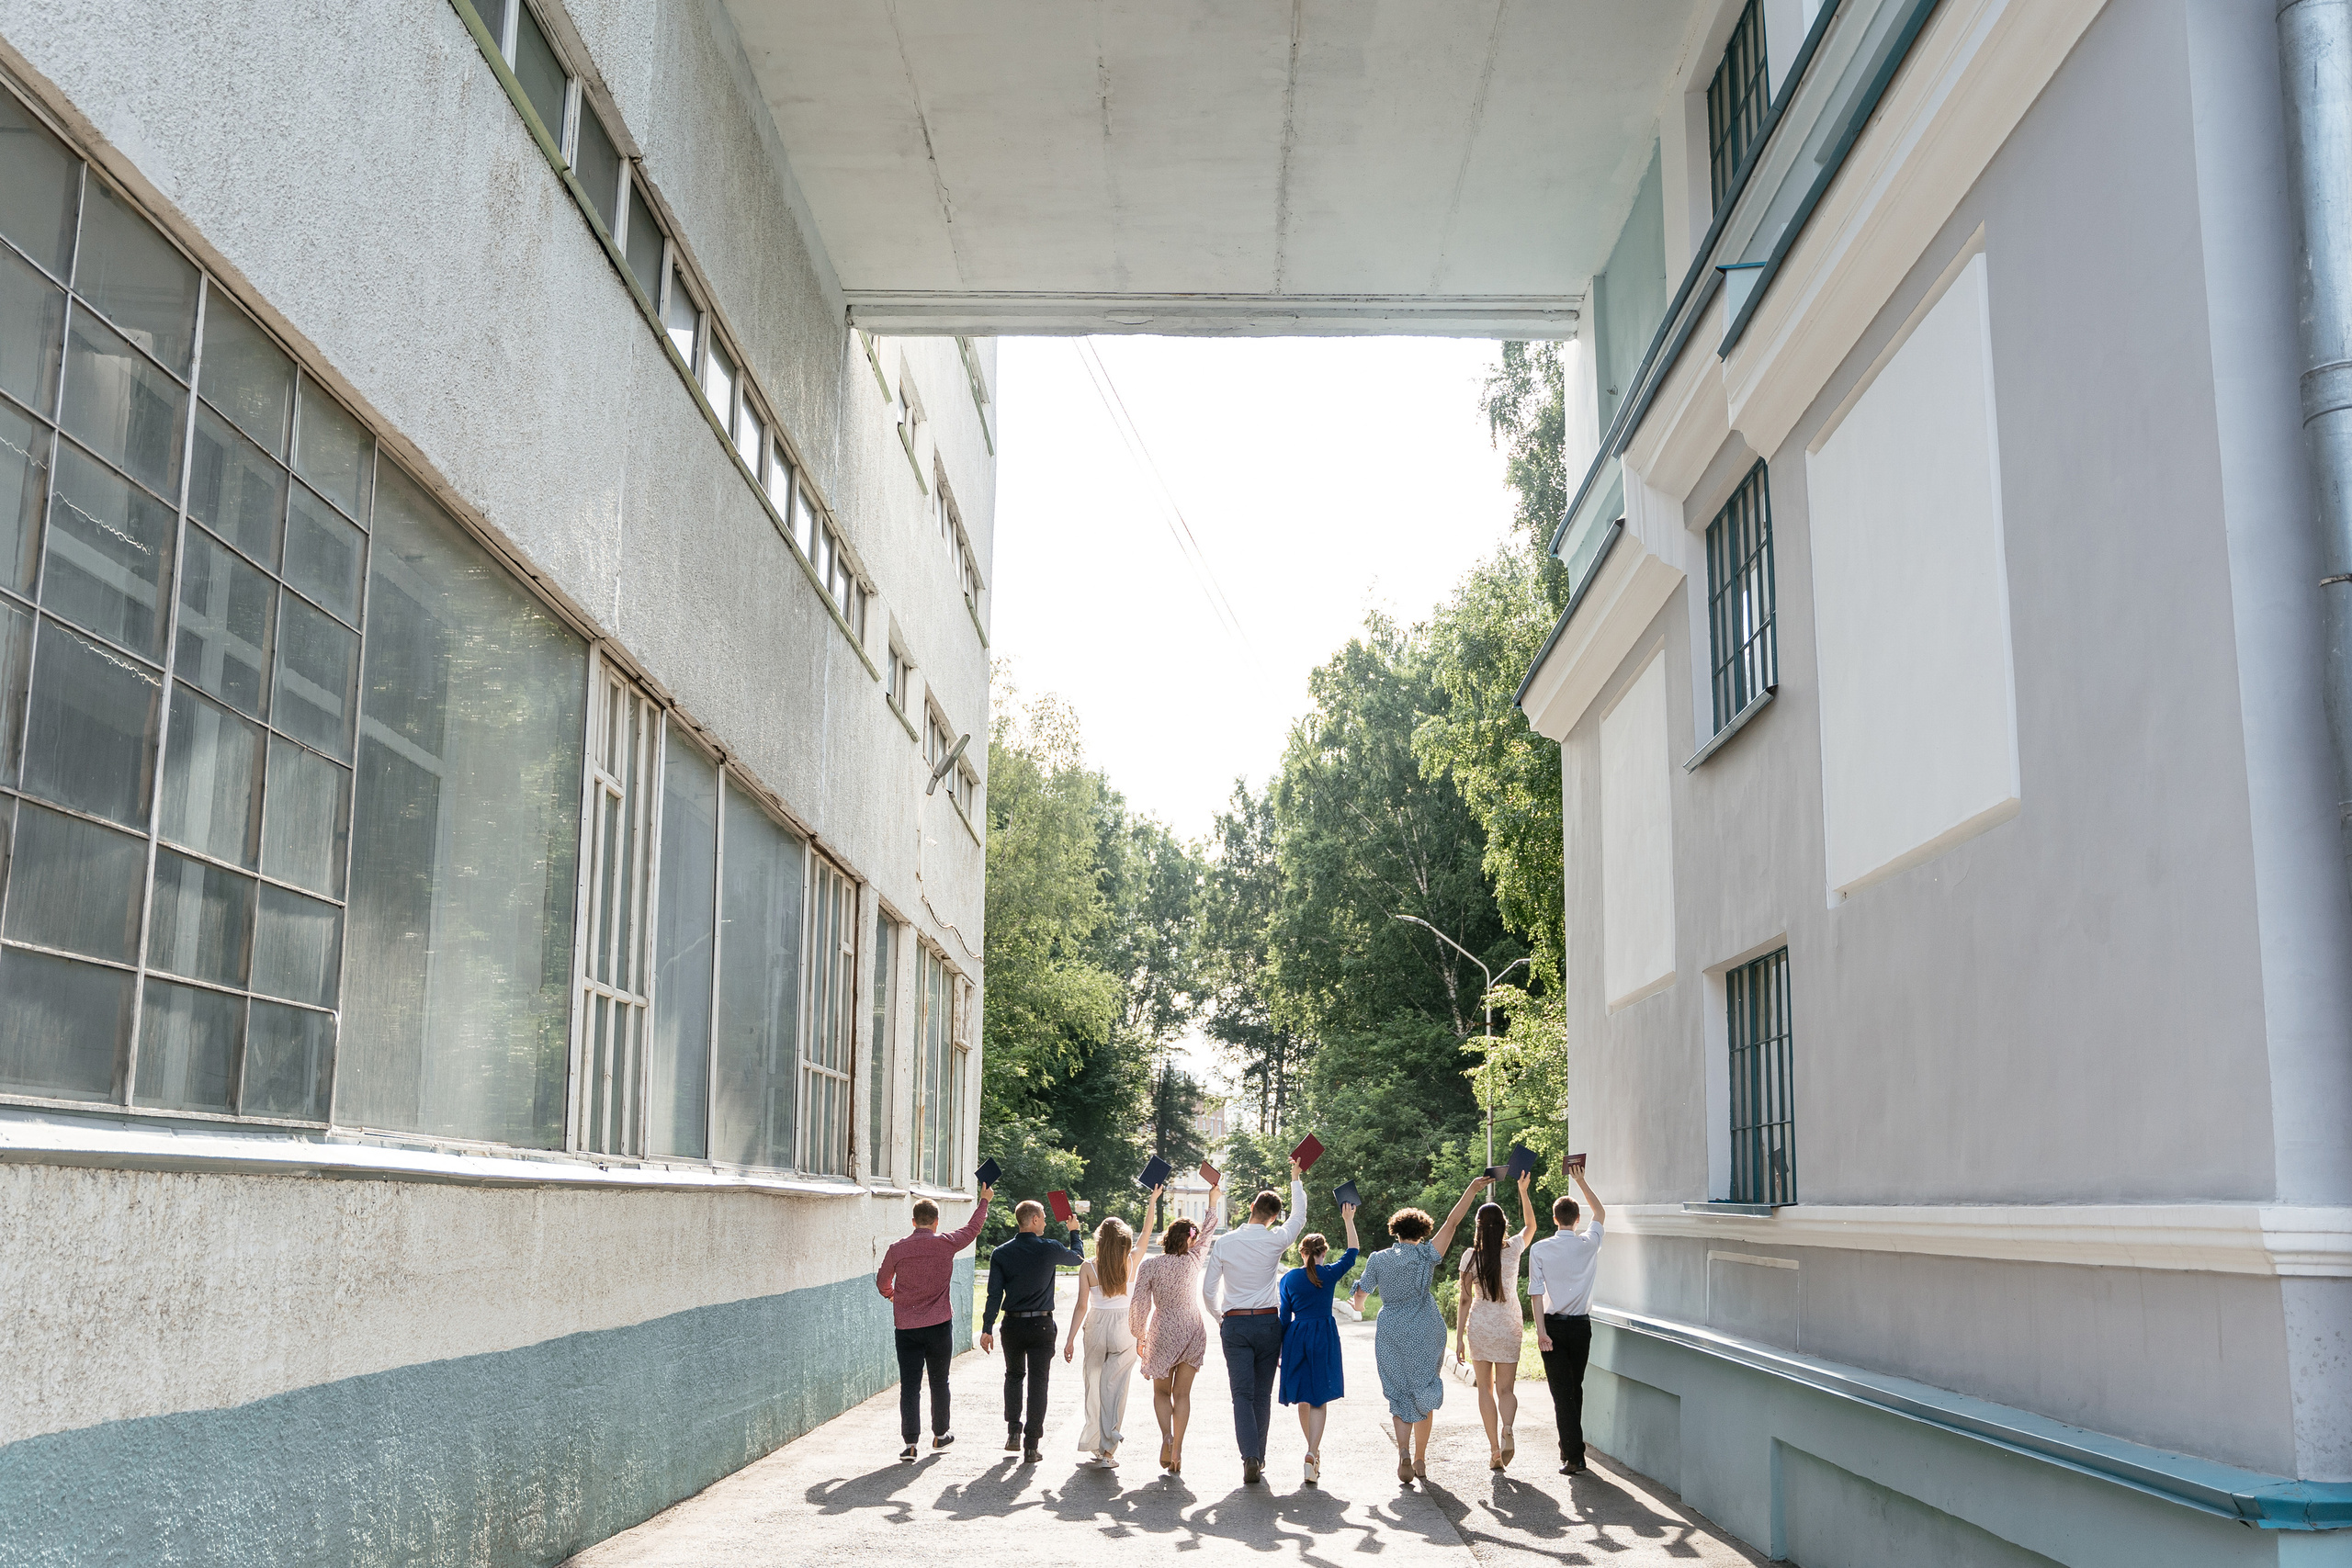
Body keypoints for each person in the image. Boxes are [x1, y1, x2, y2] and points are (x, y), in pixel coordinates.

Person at [1351, 1174, 1489, 1484]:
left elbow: (1360, 1298)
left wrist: (1357, 1305)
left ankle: (1402, 1451)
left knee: (1399, 1393)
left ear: (1395, 1231)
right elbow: (1453, 1223)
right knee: (1423, 1390)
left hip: (1391, 1331)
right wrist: (1471, 1188)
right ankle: (1420, 1459)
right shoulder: (1427, 1254)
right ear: (1424, 1231)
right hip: (1426, 1327)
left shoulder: (1378, 1259)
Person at [1200, 1159, 1310, 1484]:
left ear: (1251, 1207)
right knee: (1262, 1395)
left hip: (1235, 1324)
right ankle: (1258, 1458)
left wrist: (1220, 1317)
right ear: (1274, 1217)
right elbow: (1300, 1217)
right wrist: (1295, 1178)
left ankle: (1249, 1455)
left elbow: (1208, 1290)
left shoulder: (1225, 1243)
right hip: (1267, 1324)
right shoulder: (1276, 1240)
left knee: (1241, 1395)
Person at [876, 1184, 992, 1461]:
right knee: (940, 1381)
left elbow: (882, 1282)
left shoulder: (897, 1249)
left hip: (906, 1329)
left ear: (913, 1221)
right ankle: (940, 1435)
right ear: (936, 1222)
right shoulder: (946, 1243)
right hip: (939, 1325)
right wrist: (984, 1201)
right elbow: (973, 1229)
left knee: (910, 1385)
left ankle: (910, 1444)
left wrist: (894, 1297)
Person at [980, 1198, 1088, 1463]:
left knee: (1014, 1376)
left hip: (1012, 1325)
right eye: (1043, 1216)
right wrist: (1074, 1231)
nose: (1046, 1220)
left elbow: (994, 1294)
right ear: (1035, 1220)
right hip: (1041, 1325)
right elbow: (1078, 1258)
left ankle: (1013, 1432)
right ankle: (1031, 1445)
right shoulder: (1048, 1248)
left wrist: (986, 1328)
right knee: (1039, 1383)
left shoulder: (1001, 1253)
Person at [1127, 1179, 1222, 1475]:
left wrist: (1139, 1334)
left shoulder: (1150, 1266)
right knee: (1183, 1395)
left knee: (1160, 1393)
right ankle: (1178, 1447)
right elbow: (1209, 1230)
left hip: (1162, 1328)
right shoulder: (1194, 1259)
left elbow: (1139, 1303)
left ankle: (1166, 1437)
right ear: (1190, 1240)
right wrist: (1212, 1198)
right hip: (1192, 1327)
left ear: (1167, 1238)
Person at [1453, 1170, 1536, 1471]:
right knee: (1506, 1390)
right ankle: (1509, 1430)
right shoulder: (1514, 1249)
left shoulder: (1469, 1258)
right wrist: (1523, 1190)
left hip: (1481, 1326)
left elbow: (1464, 1300)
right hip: (1509, 1324)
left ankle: (1494, 1451)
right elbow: (1531, 1225)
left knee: (1484, 1390)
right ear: (1503, 1226)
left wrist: (1459, 1336)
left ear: (1478, 1228)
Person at [1276, 1200, 1361, 1486]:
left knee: (1302, 1393)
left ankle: (1311, 1451)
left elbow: (1283, 1316)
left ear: (1301, 1253)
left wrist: (1280, 1349)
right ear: (1323, 1252)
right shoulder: (1328, 1273)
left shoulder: (1289, 1279)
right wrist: (1348, 1220)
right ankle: (1313, 1451)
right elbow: (1352, 1253)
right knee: (1319, 1396)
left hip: (1297, 1335)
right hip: (1323, 1333)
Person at [1529, 1164, 1606, 1475]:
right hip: (1581, 1327)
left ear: (1554, 1219)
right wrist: (1581, 1180)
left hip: (1554, 1327)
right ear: (1576, 1220)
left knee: (1564, 1393)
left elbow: (1535, 1293)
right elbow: (1599, 1212)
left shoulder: (1540, 1249)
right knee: (1575, 1388)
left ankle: (1574, 1456)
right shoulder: (1589, 1243)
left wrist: (1540, 1332)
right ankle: (1572, 1451)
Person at [1063, 1212, 1138, 1464]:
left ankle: (1094, 1441)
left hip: (1095, 1325)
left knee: (1093, 1384)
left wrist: (1070, 1339)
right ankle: (1108, 1448)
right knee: (1116, 1388)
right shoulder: (1129, 1261)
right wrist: (1152, 1201)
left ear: (1099, 1240)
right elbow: (1147, 1232)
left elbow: (1081, 1306)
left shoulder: (1088, 1266)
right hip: (1123, 1327)